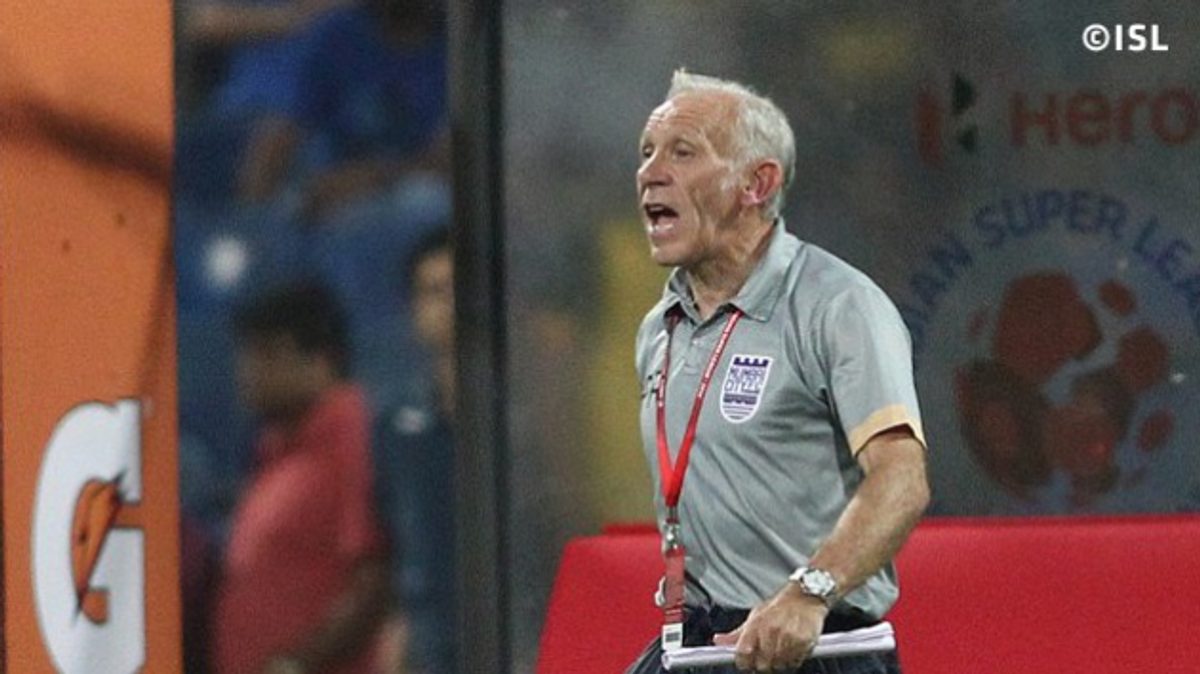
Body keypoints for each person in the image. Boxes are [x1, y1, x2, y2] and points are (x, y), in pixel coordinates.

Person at [627, 71, 930, 674]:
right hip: (702, 639)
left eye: (682, 153)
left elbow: (902, 477)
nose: (650, 172)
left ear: (757, 184)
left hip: (819, 642)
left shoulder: (838, 306)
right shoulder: (660, 327)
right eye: (647, 152)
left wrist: (810, 592)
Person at [213, 282, 390, 674]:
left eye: (268, 354)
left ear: (321, 360)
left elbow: (374, 579)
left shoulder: (352, 436)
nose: (249, 371)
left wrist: (296, 664)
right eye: (247, 354)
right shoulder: (279, 445)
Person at [372, 229, 457, 673]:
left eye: (459, 288)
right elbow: (396, 544)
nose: (449, 305)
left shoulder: (524, 417)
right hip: (430, 637)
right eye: (434, 291)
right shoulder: (396, 425)